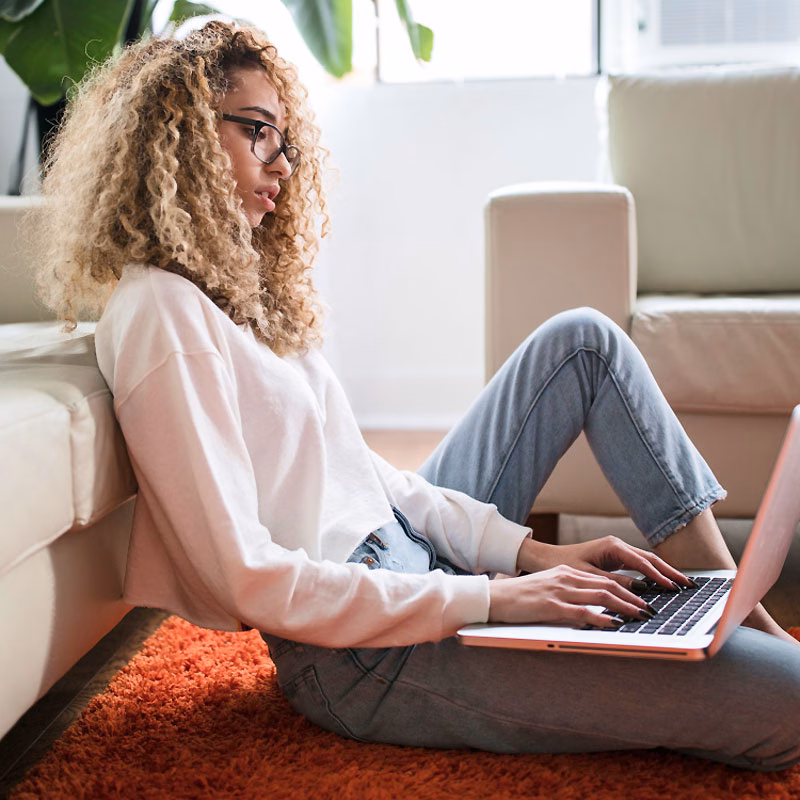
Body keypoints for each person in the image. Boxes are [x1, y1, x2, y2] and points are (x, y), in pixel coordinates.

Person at [32, 21, 800, 770]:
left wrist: (528, 554)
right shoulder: (160, 313)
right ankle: (728, 644)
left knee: (582, 341)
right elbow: (248, 577)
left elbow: (371, 479)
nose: (283, 163)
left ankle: (726, 604)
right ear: (185, 133)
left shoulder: (240, 295)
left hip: (414, 564)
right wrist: (494, 600)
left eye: (286, 141)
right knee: (789, 705)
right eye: (258, 131)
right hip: (365, 658)